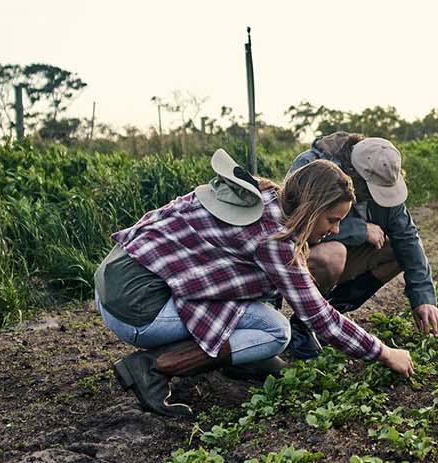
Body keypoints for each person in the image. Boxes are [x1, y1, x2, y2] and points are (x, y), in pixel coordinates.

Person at [96, 149, 413, 417]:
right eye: (332, 220)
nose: (335, 230)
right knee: (275, 331)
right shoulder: (274, 238)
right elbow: (321, 319)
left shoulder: (264, 194)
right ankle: (152, 367)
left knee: (258, 317)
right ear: (312, 208)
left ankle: (242, 358)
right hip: (136, 309)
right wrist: (385, 352)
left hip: (116, 281)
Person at [285, 132, 438, 359]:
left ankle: (332, 316)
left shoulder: (381, 171)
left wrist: (424, 299)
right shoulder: (312, 168)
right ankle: (303, 323)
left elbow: (408, 238)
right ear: (355, 175)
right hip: (303, 258)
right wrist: (360, 230)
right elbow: (293, 226)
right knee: (333, 255)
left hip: (346, 257)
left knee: (397, 252)